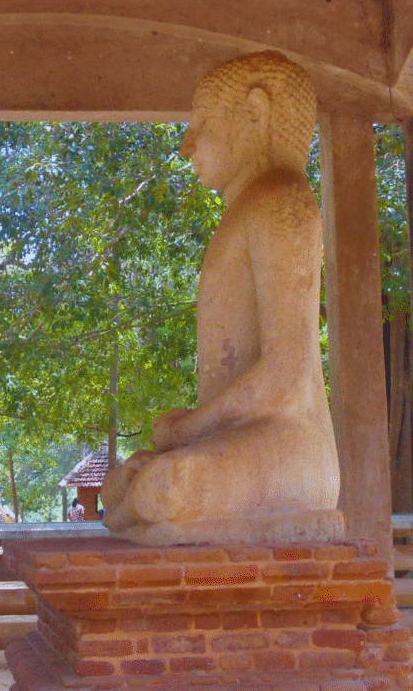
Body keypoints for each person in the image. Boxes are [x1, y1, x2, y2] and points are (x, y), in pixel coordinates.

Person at [101, 51, 342, 545]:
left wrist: (191, 430)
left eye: (202, 124)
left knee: (168, 487)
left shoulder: (282, 201)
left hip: (288, 443)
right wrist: (196, 432)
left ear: (255, 113)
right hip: (243, 439)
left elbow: (286, 369)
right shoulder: (252, 207)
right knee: (124, 486)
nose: (187, 146)